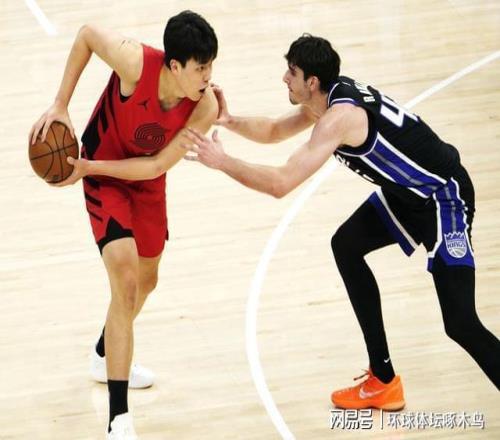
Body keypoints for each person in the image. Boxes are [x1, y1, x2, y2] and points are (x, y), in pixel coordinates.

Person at [182, 33, 500, 410]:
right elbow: (274, 131)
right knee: (346, 246)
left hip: (442, 197)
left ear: (312, 81)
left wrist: (222, 162)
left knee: (460, 323)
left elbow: (281, 183)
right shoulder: (326, 99)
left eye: (292, 72)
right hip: (406, 195)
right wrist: (230, 121)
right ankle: (383, 380)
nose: (285, 78)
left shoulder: (339, 119)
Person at [29, 10, 218, 439]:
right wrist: (61, 104)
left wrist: (90, 166)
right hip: (103, 175)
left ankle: (105, 353)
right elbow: (86, 34)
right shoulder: (135, 62)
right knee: (126, 280)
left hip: (143, 180)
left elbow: (155, 166)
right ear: (174, 65)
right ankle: (119, 417)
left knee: (147, 280)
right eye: (201, 68)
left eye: (211, 66)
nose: (208, 77)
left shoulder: (204, 106)